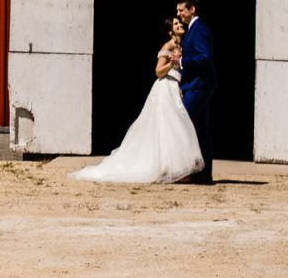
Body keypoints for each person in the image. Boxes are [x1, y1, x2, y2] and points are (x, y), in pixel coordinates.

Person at [72, 15, 205, 184]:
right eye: (176, 24)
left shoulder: (182, 46)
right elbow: (158, 71)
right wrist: (172, 63)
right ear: (171, 31)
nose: (180, 25)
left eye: (180, 23)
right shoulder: (169, 46)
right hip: (165, 88)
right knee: (167, 126)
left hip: (175, 88)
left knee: (176, 127)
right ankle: (167, 168)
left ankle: (176, 168)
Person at [174, 0, 216, 184]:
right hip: (199, 85)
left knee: (182, 125)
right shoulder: (193, 29)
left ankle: (186, 171)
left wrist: (182, 61)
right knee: (201, 130)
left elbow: (205, 57)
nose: (179, 14)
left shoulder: (199, 29)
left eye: (181, 10)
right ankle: (204, 173)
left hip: (198, 86)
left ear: (192, 10)